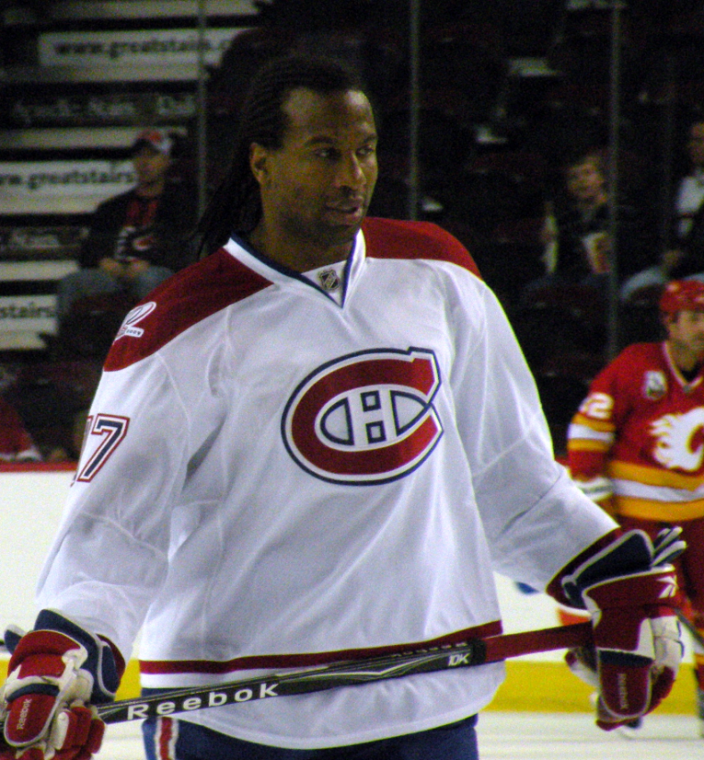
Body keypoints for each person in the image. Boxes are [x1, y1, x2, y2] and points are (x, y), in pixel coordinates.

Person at [0, 55, 685, 760]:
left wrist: (607, 570)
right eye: (325, 153)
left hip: (429, 710)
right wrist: (70, 647)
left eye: (364, 151)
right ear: (262, 164)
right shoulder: (177, 329)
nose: (352, 175)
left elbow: (509, 472)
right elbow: (115, 532)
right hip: (241, 728)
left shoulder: (438, 275)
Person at [567, 278, 704, 736]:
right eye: (695, 317)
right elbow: (588, 434)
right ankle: (622, 690)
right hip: (639, 522)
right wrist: (601, 513)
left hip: (699, 518)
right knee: (644, 617)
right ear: (670, 321)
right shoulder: (636, 366)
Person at [56, 128, 197, 330]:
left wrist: (149, 262)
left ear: (166, 161)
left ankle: (148, 348)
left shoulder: (182, 204)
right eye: (139, 155)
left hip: (154, 273)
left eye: (152, 155)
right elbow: (89, 248)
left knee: (150, 280)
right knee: (71, 283)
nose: (144, 162)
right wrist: (103, 261)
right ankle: (68, 347)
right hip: (113, 275)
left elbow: (184, 246)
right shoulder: (112, 207)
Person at [522, 149, 656, 303]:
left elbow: (641, 254)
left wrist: (617, 246)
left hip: (615, 275)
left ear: (601, 178)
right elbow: (561, 264)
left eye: (587, 174)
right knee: (534, 289)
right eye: (574, 177)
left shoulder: (624, 212)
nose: (581, 181)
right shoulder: (566, 219)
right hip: (573, 276)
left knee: (590, 288)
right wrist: (549, 244)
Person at [621, 117, 704, 302]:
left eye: (700, 140)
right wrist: (663, 255)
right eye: (691, 140)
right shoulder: (675, 186)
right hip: (670, 267)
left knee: (687, 291)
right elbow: (653, 229)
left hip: (699, 268)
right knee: (632, 288)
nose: (692, 146)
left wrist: (687, 257)